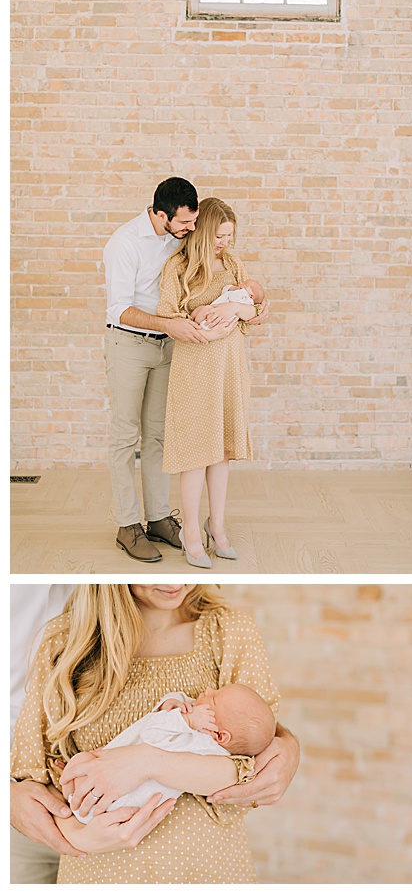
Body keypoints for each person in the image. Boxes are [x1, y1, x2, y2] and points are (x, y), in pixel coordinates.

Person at [11, 584, 301, 883]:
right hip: (100, 871)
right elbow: (32, 779)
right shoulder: (65, 640)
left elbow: (250, 771)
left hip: (208, 868)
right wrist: (80, 837)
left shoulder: (228, 630)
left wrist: (145, 762)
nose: (174, 583)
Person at [104, 178, 269, 562]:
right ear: (161, 215)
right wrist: (178, 322)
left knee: (160, 435)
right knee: (126, 434)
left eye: (196, 223)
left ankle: (160, 516)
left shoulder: (190, 241)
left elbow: (253, 301)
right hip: (131, 340)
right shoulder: (125, 243)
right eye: (185, 224)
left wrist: (240, 307)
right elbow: (119, 309)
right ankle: (128, 525)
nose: (191, 229)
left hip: (173, 346)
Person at [157, 197, 263, 567]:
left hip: (230, 365)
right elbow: (169, 317)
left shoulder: (233, 263)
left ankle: (216, 525)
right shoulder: (178, 267)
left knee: (222, 451)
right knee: (195, 452)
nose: (225, 243)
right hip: (196, 366)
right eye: (219, 235)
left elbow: (255, 311)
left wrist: (232, 308)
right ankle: (189, 532)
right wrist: (202, 316)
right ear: (202, 232)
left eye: (230, 236)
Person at [73, 684, 276, 824]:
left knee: (81, 774)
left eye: (214, 698)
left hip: (116, 802)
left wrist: (185, 721)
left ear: (220, 736)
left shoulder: (200, 744)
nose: (208, 690)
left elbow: (151, 734)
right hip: (107, 791)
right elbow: (181, 703)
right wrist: (173, 702)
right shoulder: (206, 728)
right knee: (81, 772)